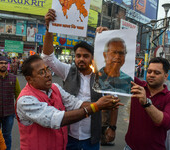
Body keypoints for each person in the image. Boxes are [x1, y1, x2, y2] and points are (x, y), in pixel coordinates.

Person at [42, 9, 119, 150]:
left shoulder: (102, 76)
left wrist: (112, 127)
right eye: (78, 56)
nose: (81, 59)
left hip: (92, 138)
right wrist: (49, 29)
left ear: (92, 58)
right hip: (68, 135)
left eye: (85, 56)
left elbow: (114, 103)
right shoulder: (67, 71)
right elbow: (48, 58)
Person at [16, 55, 122, 150]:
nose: (48, 74)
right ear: (29, 79)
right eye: (41, 72)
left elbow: (76, 104)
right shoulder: (26, 101)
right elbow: (57, 119)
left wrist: (104, 104)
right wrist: (96, 106)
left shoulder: (55, 88)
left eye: (47, 69)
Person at [125, 57, 170, 150]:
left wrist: (146, 103)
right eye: (149, 72)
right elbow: (120, 71)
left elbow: (167, 123)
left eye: (157, 73)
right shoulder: (138, 86)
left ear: (166, 76)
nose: (151, 75)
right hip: (130, 147)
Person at [0, 56, 21, 150]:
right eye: (1, 63)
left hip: (9, 113)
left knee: (7, 135)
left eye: (5, 63)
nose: (3, 65)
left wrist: (18, 110)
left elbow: (18, 96)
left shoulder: (13, 78)